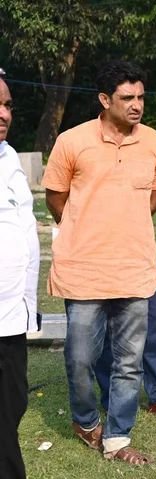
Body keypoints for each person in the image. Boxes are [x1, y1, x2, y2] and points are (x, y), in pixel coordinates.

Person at [42, 60, 156, 465]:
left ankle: (117, 438)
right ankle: (84, 420)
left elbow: (155, 195)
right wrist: (85, 229)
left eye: (141, 97)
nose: (137, 105)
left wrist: (125, 228)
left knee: (128, 363)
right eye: (127, 98)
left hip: (134, 268)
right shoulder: (72, 141)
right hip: (83, 269)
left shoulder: (153, 141)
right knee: (80, 358)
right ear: (104, 99)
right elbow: (55, 198)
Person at [0, 73, 39, 479]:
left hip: (12, 319)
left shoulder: (9, 157)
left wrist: (29, 306)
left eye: (8, 105)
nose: (4, 114)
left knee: (12, 408)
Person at [94, 263, 156, 419]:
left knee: (155, 323)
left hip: (142, 257)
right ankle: (112, 398)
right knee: (107, 329)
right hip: (102, 258)